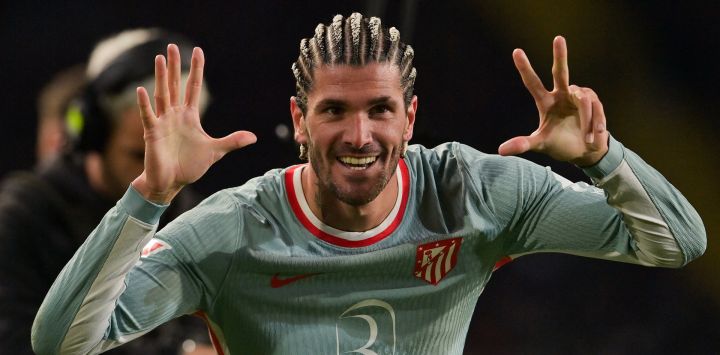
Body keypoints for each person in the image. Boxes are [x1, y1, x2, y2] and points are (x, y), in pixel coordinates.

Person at [31, 13, 706, 354]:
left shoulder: (473, 194)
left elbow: (676, 241)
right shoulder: (230, 232)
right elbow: (61, 341)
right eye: (334, 111)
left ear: (409, 117)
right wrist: (148, 195)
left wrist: (603, 156)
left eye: (379, 109)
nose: (359, 135)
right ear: (299, 120)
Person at [0, 29, 214, 354]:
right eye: (137, 154)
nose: (158, 173)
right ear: (94, 134)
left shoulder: (191, 217)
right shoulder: (22, 214)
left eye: (173, 152)